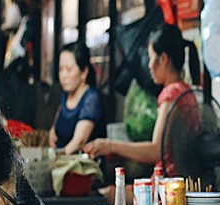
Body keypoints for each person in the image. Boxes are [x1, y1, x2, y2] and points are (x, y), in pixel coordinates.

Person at [83, 23, 200, 176]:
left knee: (108, 194)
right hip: (180, 182)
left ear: (163, 59)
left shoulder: (171, 94)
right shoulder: (187, 91)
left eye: (151, 58)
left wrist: (109, 145)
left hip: (167, 186)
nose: (149, 65)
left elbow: (156, 150)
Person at [49, 41, 103, 153]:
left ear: (84, 72)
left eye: (68, 70)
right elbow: (54, 132)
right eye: (60, 70)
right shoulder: (65, 94)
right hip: (61, 161)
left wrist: (54, 160)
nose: (63, 75)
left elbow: (78, 143)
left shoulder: (91, 98)